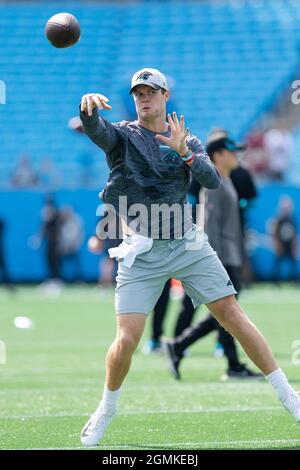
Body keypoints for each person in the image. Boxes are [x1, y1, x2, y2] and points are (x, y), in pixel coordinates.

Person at [79, 68, 300, 447]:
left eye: (151, 92)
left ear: (166, 96)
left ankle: (290, 397)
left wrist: (184, 152)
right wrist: (88, 112)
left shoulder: (187, 138)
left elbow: (212, 179)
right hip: (142, 249)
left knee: (233, 315)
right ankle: (106, 409)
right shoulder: (123, 134)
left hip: (185, 242)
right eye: (138, 93)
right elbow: (98, 131)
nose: (144, 98)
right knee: (127, 338)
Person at [165, 137, 262, 380]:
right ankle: (185, 347)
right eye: (231, 152)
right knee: (229, 313)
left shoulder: (226, 181)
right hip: (223, 258)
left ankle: (187, 348)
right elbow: (207, 225)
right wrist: (215, 260)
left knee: (227, 314)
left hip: (230, 256)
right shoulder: (214, 183)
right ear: (217, 155)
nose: (236, 156)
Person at [271, 196, 298, 283]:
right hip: (281, 244)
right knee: (277, 264)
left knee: (293, 264)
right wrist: (277, 245)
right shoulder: (279, 219)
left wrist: (294, 246)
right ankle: (275, 281)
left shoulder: (292, 219)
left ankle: (295, 280)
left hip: (289, 245)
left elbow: (294, 235)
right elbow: (274, 233)